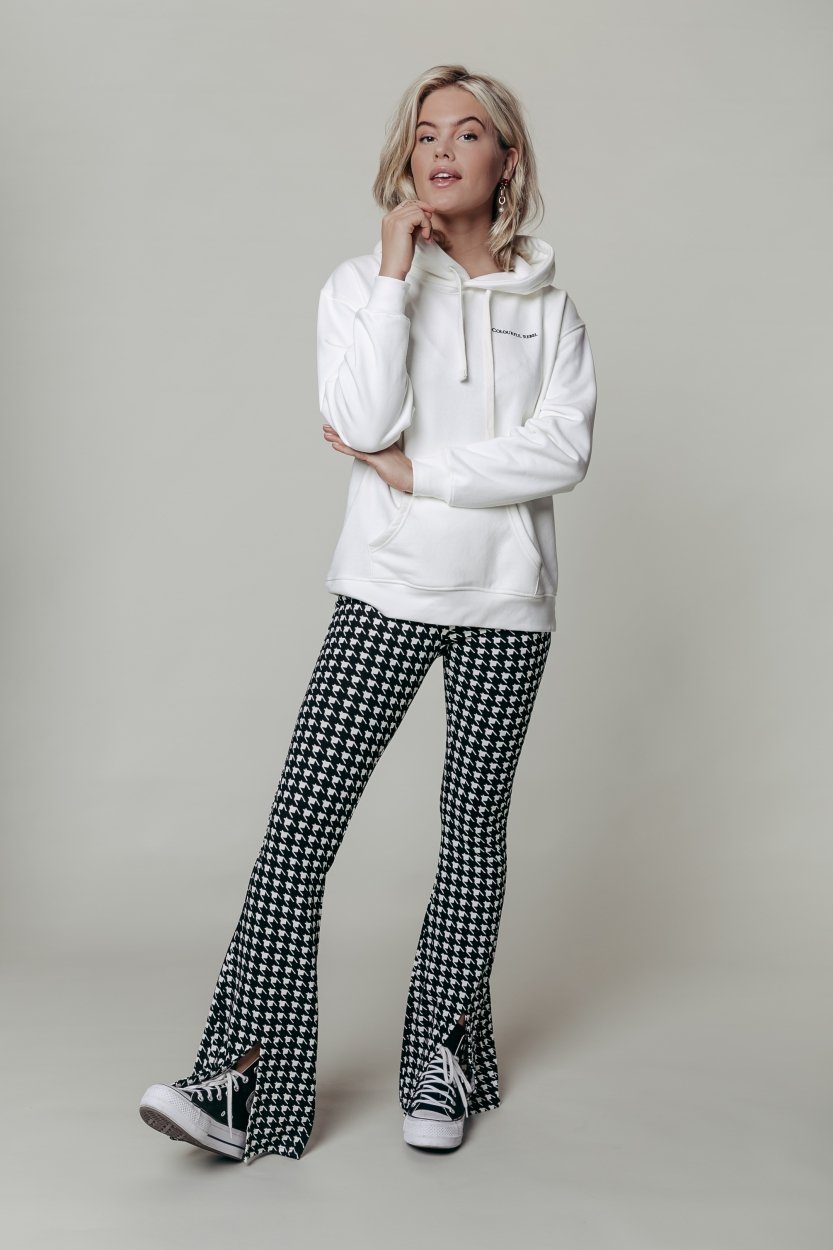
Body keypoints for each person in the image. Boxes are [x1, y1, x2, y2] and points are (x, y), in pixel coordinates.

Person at [139, 63, 597, 1166]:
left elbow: (562, 450)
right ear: (405, 155)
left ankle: (442, 1060)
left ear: (507, 161)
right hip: (387, 590)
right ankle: (243, 1081)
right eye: (425, 132)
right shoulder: (357, 284)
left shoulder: (551, 310)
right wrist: (395, 273)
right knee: (301, 827)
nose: (442, 150)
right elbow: (357, 416)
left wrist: (422, 472)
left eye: (469, 133)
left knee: (472, 834)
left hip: (507, 600)